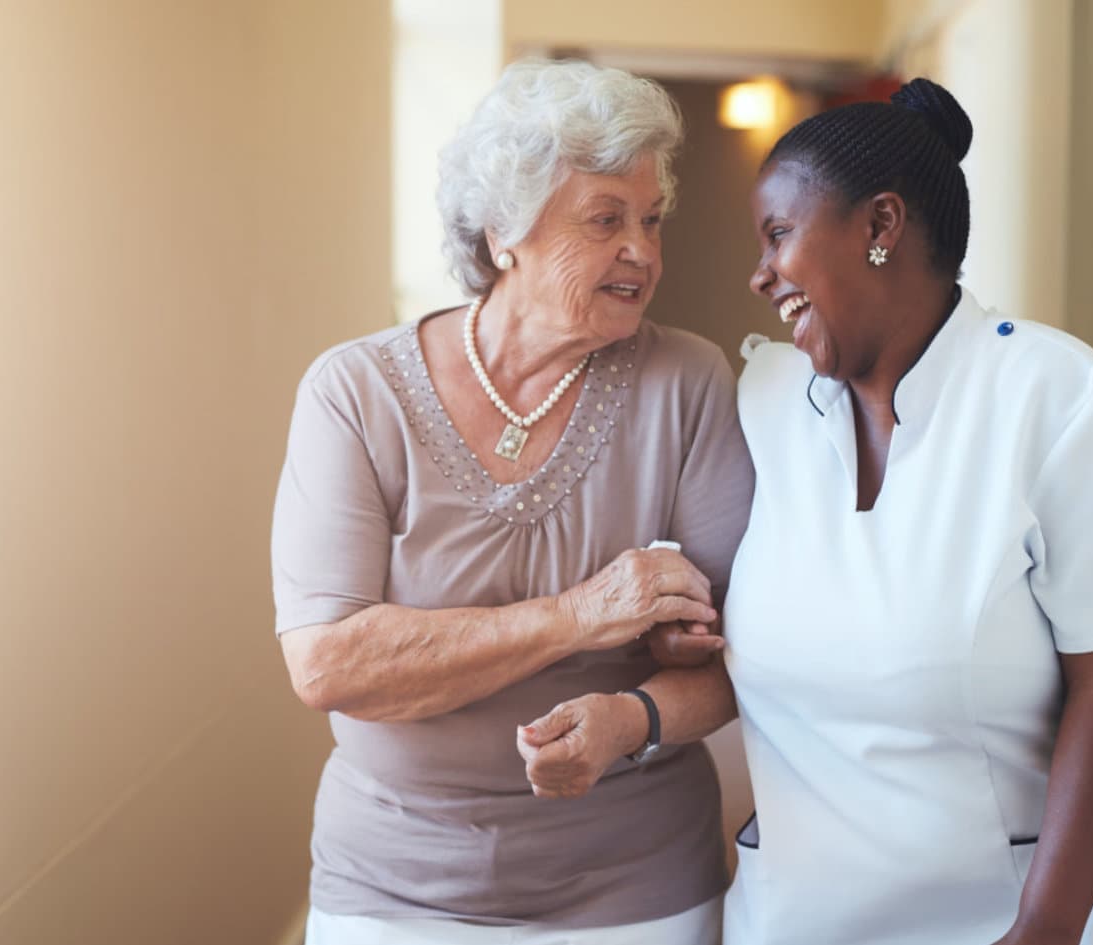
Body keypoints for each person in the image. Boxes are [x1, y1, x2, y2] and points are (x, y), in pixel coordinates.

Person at [269, 59, 749, 945]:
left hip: (635, 882)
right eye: (605, 219)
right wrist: (580, 616)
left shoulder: (688, 380)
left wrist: (632, 716)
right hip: (394, 883)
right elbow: (329, 663)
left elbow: (740, 657)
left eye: (650, 219)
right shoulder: (356, 392)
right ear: (503, 235)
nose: (641, 249)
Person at [722, 77, 1093, 944]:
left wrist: (1044, 927)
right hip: (799, 919)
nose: (760, 274)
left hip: (1021, 917)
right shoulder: (763, 398)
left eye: (780, 234)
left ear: (880, 226)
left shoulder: (1065, 405)